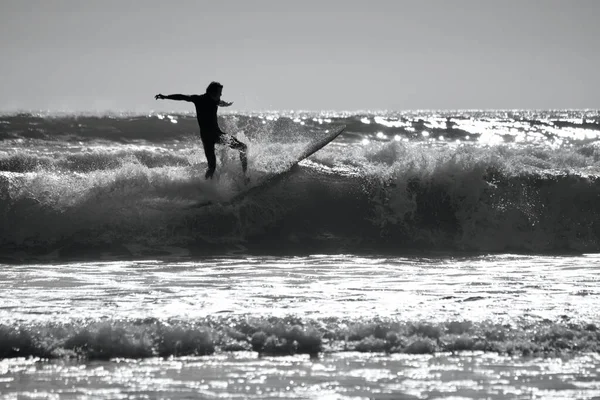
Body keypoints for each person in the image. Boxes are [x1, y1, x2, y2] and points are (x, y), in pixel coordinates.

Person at [155, 81, 248, 180]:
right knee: (212, 167)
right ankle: (207, 187)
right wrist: (165, 97)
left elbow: (220, 102)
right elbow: (182, 97)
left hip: (215, 135)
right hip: (210, 137)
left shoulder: (214, 100)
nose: (221, 95)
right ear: (212, 93)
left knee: (242, 148)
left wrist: (226, 104)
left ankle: (244, 175)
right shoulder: (198, 99)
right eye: (219, 93)